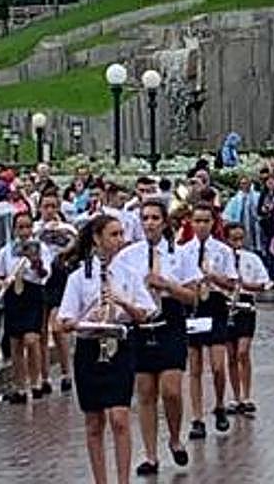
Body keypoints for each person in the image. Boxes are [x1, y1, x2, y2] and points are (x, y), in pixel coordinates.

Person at [56, 214, 157, 484]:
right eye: (113, 234)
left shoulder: (128, 274)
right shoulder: (79, 277)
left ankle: (123, 480)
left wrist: (122, 303)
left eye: (121, 234)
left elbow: (145, 313)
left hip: (119, 346)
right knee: (93, 421)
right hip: (90, 347)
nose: (120, 240)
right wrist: (83, 319)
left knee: (120, 417)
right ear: (97, 239)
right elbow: (65, 320)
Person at [116, 199, 197, 476]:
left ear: (164, 222)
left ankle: (175, 437)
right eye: (145, 218)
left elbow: (193, 296)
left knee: (171, 389)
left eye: (155, 218)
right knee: (145, 390)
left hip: (170, 319)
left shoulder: (180, 254)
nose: (149, 223)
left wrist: (168, 285)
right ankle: (150, 455)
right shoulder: (129, 256)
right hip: (141, 320)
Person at [179, 201, 239, 438]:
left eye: (206, 221)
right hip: (194, 304)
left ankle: (220, 404)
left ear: (213, 223)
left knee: (217, 365)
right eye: (197, 221)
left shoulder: (223, 250)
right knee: (194, 365)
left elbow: (232, 283)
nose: (201, 225)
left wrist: (213, 277)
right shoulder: (184, 250)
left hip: (215, 303)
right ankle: (197, 417)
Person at [0, 210, 52, 403]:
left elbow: (45, 274)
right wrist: (2, 282)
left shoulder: (41, 248)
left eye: (28, 227)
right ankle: (19, 386)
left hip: (32, 294)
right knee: (15, 342)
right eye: (20, 227)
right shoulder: (5, 251)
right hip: (13, 295)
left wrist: (36, 262)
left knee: (32, 339)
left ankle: (36, 382)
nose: (24, 231)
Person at [224, 221, 270, 416]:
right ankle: (235, 397)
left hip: (245, 305)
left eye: (241, 239)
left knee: (243, 351)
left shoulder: (251, 258)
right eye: (233, 239)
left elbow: (263, 284)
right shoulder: (221, 258)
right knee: (231, 354)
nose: (238, 243)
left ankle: (247, 395)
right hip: (226, 305)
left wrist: (244, 285)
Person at [35, 188, 78, 393]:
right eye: (46, 206)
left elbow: (75, 249)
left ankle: (66, 373)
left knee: (57, 326)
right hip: (39, 279)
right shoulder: (35, 229)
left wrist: (66, 248)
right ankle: (44, 377)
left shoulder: (67, 229)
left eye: (53, 206)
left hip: (59, 278)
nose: (50, 210)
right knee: (40, 330)